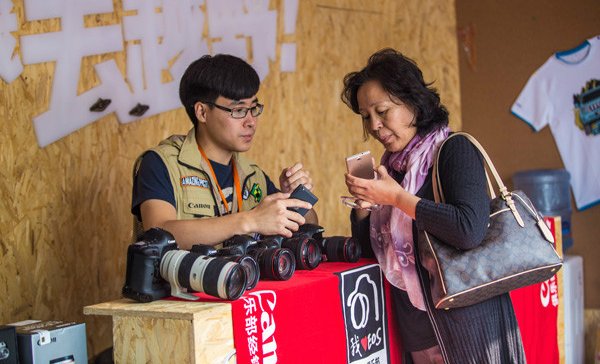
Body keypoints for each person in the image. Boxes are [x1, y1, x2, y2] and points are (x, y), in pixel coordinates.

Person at [341, 48, 526, 364]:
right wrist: (365, 206)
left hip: (468, 329)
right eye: (365, 116)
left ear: (412, 102)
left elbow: (468, 230)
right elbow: (372, 256)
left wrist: (396, 198)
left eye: (382, 111)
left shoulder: (455, 150)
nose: (373, 125)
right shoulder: (393, 168)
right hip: (416, 333)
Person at [132, 53, 317, 249]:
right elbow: (158, 235)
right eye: (238, 110)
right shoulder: (161, 163)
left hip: (242, 279)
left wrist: (295, 198)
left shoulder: (253, 174)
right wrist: (250, 220)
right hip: (182, 280)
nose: (251, 121)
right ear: (202, 112)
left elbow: (310, 230)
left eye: (254, 108)